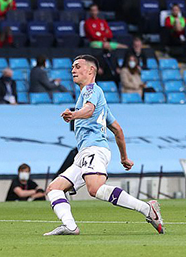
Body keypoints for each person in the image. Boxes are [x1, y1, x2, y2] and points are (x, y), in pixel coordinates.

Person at [44, 55, 163, 236]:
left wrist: (74, 115)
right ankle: (69, 226)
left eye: (77, 66)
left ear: (91, 70)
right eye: (72, 67)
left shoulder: (91, 90)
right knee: (54, 188)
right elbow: (118, 130)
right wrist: (124, 157)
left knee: (95, 188)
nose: (72, 70)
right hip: (86, 153)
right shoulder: (98, 100)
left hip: (94, 149)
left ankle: (147, 209)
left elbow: (89, 110)